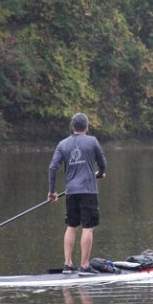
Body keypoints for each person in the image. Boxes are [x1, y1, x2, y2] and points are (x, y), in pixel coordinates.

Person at [48, 112, 107, 275]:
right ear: (87, 127)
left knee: (71, 226)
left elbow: (53, 167)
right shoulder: (92, 141)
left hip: (71, 192)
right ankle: (85, 266)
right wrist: (100, 173)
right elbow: (103, 164)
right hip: (88, 191)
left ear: (73, 127)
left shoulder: (62, 144)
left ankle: (67, 264)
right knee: (88, 228)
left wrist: (52, 191)